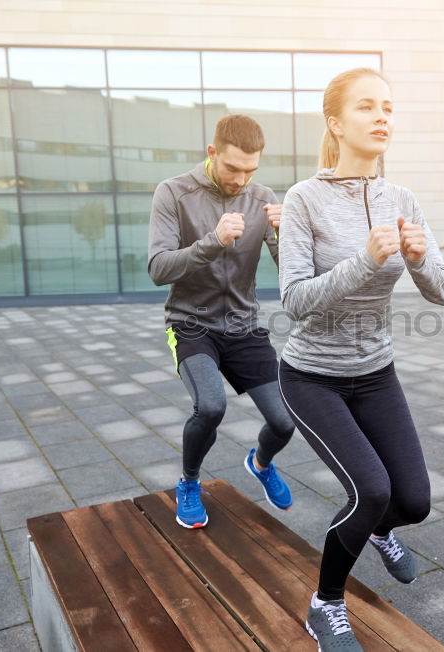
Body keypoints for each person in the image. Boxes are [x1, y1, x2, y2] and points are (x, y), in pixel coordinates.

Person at [276, 69, 444, 651]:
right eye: (367, 108)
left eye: (388, 108)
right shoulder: (304, 199)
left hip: (376, 374)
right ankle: (325, 604)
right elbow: (295, 301)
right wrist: (363, 261)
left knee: (414, 503)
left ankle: (380, 533)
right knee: (370, 490)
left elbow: (442, 292)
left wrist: (422, 259)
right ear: (335, 122)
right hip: (311, 378)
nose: (383, 118)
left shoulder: (403, 199)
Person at [148, 114, 295, 529]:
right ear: (212, 153)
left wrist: (288, 237)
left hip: (244, 326)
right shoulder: (174, 193)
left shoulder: (261, 197)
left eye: (251, 170)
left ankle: (261, 463)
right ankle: (189, 482)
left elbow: (291, 272)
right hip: (191, 325)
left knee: (285, 420)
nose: (241, 180)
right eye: (233, 168)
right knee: (211, 407)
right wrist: (214, 241)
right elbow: (159, 268)